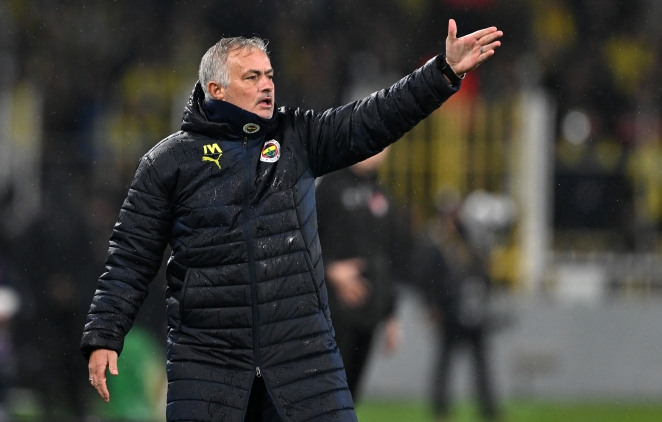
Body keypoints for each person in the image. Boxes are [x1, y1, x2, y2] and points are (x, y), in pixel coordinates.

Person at [81, 19, 503, 422]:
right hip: (208, 361)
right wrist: (104, 333)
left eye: (269, 75)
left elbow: (373, 118)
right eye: (251, 77)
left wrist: (442, 73)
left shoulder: (296, 136)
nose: (266, 84)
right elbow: (130, 257)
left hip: (303, 357)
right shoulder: (168, 163)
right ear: (215, 90)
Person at [315, 148, 405, 400]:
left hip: (369, 312)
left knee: (349, 395)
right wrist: (329, 269)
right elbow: (300, 239)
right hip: (330, 310)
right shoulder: (328, 187)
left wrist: (391, 314)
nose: (378, 149)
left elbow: (391, 258)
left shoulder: (383, 196)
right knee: (325, 393)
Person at [412, 189, 500, 421]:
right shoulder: (434, 240)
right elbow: (425, 276)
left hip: (470, 307)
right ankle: (441, 407)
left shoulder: (466, 237)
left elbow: (480, 271)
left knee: (479, 361)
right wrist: (432, 305)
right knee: (445, 361)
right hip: (448, 310)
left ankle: (488, 408)